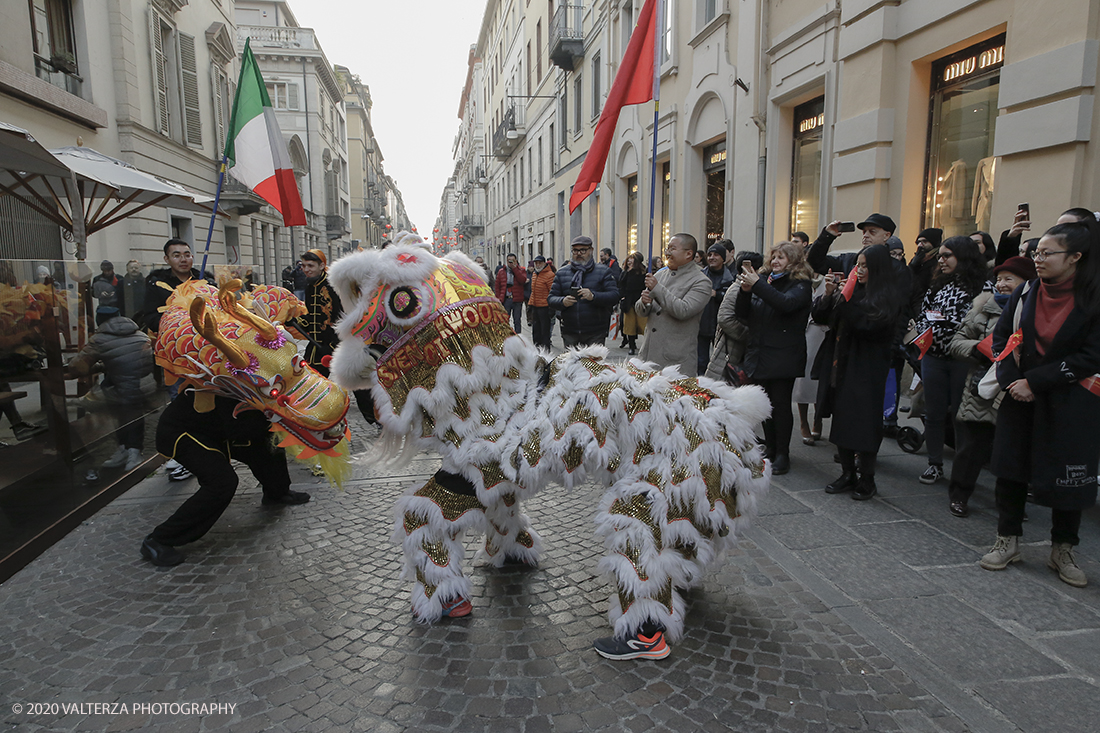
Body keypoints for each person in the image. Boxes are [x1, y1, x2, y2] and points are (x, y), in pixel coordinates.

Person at [981, 221, 1100, 588]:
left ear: (1076, 257)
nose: (1039, 259)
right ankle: (1008, 539)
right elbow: (1002, 337)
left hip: (1070, 399)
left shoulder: (1093, 298)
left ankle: (1063, 548)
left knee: (1070, 476)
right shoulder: (1026, 291)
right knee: (1011, 470)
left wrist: (1036, 382)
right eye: (1037, 253)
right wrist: (1011, 382)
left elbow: (1091, 356)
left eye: (1047, 253)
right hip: (1019, 394)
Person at [139, 391, 310, 567]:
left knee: (266, 442)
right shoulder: (231, 373)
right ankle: (159, 540)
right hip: (185, 431)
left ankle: (277, 493)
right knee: (222, 483)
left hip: (219, 426)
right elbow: (243, 426)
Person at [945, 256, 1036, 517]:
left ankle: (1009, 503)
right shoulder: (983, 307)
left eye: (1010, 279)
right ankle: (959, 495)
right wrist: (980, 349)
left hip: (1018, 388)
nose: (1002, 284)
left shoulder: (1035, 309)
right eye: (999, 279)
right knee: (971, 448)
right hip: (982, 387)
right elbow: (957, 342)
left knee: (1011, 452)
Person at [815, 245, 907, 500]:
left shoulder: (887, 295)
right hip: (841, 363)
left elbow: (868, 327)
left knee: (865, 423)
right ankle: (847, 473)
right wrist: (830, 295)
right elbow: (823, 317)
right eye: (858, 265)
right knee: (842, 419)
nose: (859, 270)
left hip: (867, 367)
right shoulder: (852, 291)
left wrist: (846, 299)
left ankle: (867, 478)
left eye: (865, 265)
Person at [911, 236, 988, 484]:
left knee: (961, 416)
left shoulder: (983, 288)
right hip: (934, 357)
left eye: (947, 256)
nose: (941, 261)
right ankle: (934, 464)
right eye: (940, 256)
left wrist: (947, 323)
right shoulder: (937, 285)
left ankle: (963, 471)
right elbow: (923, 316)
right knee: (933, 413)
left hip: (964, 361)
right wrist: (925, 327)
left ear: (963, 258)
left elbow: (983, 325)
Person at [735, 241, 814, 475]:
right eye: (774, 257)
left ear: (794, 260)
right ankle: (769, 447)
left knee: (780, 405)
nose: (776, 261)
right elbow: (742, 314)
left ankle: (783, 453)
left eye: (781, 257)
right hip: (760, 352)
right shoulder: (766, 280)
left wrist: (757, 285)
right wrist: (745, 291)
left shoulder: (800, 284)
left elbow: (786, 305)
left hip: (783, 355)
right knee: (764, 406)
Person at [144, 239, 212, 482]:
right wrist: (177, 324)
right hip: (177, 357)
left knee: (208, 404)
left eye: (186, 254)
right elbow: (150, 317)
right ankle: (182, 456)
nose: (183, 259)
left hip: (207, 357)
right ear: (167, 259)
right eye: (176, 255)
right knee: (179, 402)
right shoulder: (158, 286)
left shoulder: (206, 280)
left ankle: (208, 450)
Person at [290, 249, 377, 437]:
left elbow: (341, 315)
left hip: (337, 342)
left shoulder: (332, 286)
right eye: (303, 266)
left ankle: (378, 418)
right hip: (317, 346)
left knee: (357, 383)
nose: (306, 270)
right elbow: (314, 315)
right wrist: (296, 321)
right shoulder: (310, 285)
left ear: (322, 266)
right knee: (309, 381)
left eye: (310, 266)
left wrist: (334, 344)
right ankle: (310, 420)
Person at [69, 305, 153, 474]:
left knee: (122, 413)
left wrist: (99, 364)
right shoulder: (140, 333)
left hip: (121, 387)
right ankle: (128, 450)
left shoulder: (99, 339)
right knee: (130, 413)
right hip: (143, 384)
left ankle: (132, 452)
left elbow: (78, 366)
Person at [636, 233, 711, 375]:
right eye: (667, 248)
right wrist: (644, 302)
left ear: (689, 254)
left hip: (675, 360)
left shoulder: (701, 281)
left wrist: (657, 289)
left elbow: (683, 310)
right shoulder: (660, 275)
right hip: (648, 355)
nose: (667, 253)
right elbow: (641, 311)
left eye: (672, 249)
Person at [548, 235, 619, 347]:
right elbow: (551, 298)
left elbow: (614, 296)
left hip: (596, 331)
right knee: (571, 364)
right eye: (575, 250)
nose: (579, 253)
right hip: (570, 331)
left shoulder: (603, 271)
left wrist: (593, 296)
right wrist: (563, 301)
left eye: (583, 250)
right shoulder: (562, 273)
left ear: (591, 250)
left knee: (594, 364)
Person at [697, 243, 735, 375]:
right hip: (701, 324)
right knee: (701, 361)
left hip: (722, 326)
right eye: (710, 254)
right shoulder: (700, 276)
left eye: (716, 255)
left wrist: (717, 294)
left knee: (721, 362)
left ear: (723, 258)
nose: (712, 257)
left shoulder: (731, 277)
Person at [618, 252, 648, 356]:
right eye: (629, 259)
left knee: (643, 324)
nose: (630, 261)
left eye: (632, 259)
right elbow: (621, 284)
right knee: (629, 325)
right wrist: (622, 296)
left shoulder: (643, 272)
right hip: (629, 302)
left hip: (640, 300)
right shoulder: (626, 272)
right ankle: (631, 346)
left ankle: (646, 345)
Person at [495, 253, 527, 333]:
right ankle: (505, 335)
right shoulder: (501, 272)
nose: (510, 263)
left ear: (516, 261)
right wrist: (498, 297)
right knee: (504, 319)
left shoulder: (521, 270)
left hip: (517, 299)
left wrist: (515, 269)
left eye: (512, 261)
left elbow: (522, 280)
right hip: (506, 299)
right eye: (509, 261)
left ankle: (518, 336)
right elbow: (497, 285)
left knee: (517, 320)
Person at [527, 255, 555, 350]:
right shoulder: (534, 274)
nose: (538, 265)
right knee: (536, 332)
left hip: (545, 307)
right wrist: (530, 305)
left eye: (540, 263)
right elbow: (533, 292)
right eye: (536, 263)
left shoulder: (549, 275)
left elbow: (552, 291)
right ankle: (537, 350)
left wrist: (551, 308)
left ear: (544, 264)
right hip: (535, 307)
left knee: (544, 333)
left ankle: (546, 352)